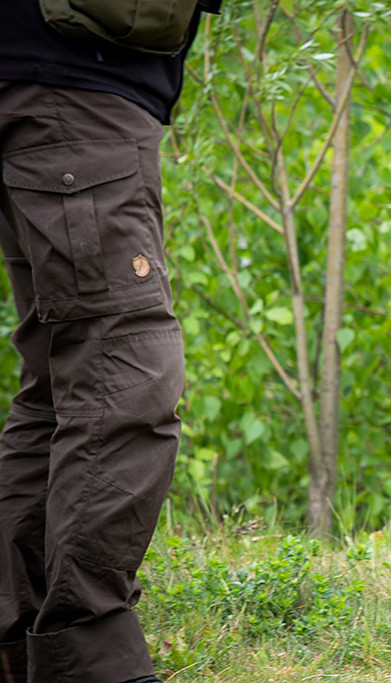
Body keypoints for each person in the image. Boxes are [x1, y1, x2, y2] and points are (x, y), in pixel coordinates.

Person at [0, 1, 220, 681]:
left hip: (45, 80)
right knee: (125, 370)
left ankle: (16, 641)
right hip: (72, 85)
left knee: (62, 383)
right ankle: (87, 656)